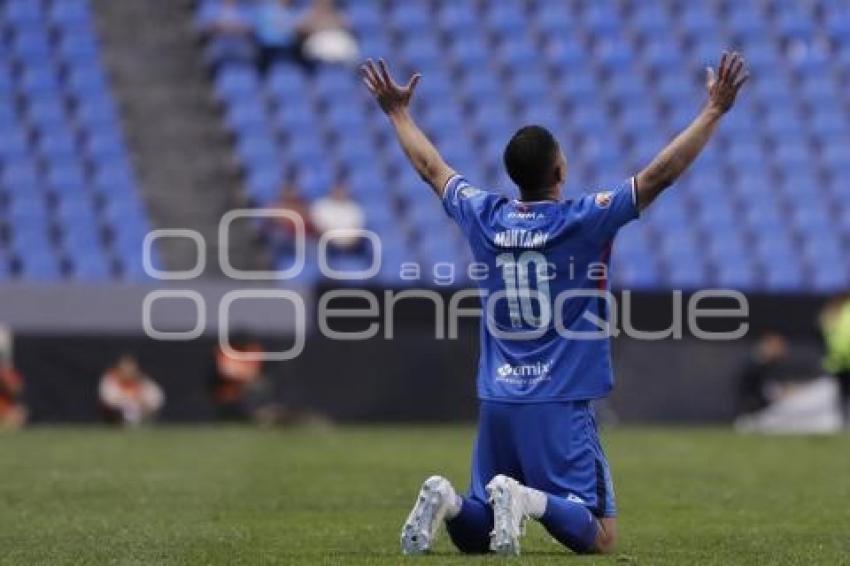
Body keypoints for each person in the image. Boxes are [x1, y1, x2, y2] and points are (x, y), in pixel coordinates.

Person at [362, 53, 748, 556]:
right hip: (559, 402)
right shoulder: (583, 221)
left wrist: (397, 113)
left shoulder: (485, 215)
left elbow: (431, 168)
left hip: (498, 398)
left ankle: (448, 503)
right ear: (560, 167)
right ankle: (524, 499)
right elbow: (659, 175)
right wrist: (714, 110)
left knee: (479, 523)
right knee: (601, 535)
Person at [99, 354, 164, 426]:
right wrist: (127, 400)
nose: (128, 371)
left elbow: (157, 398)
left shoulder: (142, 381)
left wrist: (144, 403)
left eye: (130, 367)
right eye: (125, 367)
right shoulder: (111, 379)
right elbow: (108, 399)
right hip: (115, 415)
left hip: (142, 413)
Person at [298, 0, 359, 66]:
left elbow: (349, 27)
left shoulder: (338, 15)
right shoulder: (310, 14)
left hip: (337, 43)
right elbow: (300, 30)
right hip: (319, 44)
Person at [309, 184, 365, 253]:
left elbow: (357, 229)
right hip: (329, 244)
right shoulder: (321, 206)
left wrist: (349, 240)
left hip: (351, 245)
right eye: (338, 190)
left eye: (342, 190)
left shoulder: (354, 207)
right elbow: (318, 228)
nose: (340, 193)